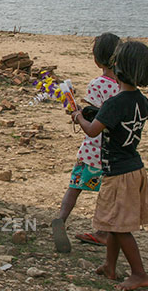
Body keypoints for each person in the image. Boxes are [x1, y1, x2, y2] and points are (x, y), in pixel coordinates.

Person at [71, 41, 148, 291]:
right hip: (134, 168)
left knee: (118, 228)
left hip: (118, 174)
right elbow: (117, 124)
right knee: (112, 224)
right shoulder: (142, 102)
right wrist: (94, 114)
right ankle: (110, 265)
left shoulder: (114, 104)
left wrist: (78, 117)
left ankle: (139, 273)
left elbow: (93, 132)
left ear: (117, 68)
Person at [52, 32, 121, 253]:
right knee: (108, 193)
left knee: (75, 186)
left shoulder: (97, 84)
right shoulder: (124, 84)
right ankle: (104, 232)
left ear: (96, 59)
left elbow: (93, 118)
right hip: (115, 150)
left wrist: (77, 114)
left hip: (93, 149)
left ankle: (61, 220)